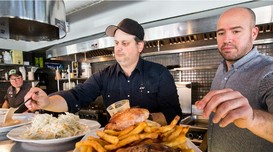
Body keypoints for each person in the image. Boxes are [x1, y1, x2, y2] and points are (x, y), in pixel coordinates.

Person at [24, 18, 182, 125]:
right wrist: (47, 102)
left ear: (139, 46)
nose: (118, 48)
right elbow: (75, 96)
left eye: (125, 43)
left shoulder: (160, 73)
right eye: (116, 43)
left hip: (152, 146)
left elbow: (174, 115)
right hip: (115, 148)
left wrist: (138, 119)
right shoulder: (103, 76)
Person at [195, 7, 273, 152]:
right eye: (221, 33)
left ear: (253, 33)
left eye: (236, 31)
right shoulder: (222, 68)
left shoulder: (272, 70)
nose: (226, 39)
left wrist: (252, 118)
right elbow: (215, 125)